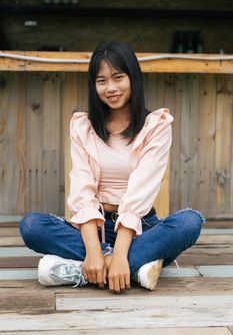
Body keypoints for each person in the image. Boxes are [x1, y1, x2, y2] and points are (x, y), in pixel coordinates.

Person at [19, 41, 205, 293]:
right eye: (101, 81)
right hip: (94, 228)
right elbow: (83, 191)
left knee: (189, 222)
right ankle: (133, 266)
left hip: (141, 228)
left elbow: (141, 189)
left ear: (133, 78)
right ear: (93, 85)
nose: (111, 88)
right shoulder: (83, 127)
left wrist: (118, 253)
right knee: (31, 226)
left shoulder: (156, 126)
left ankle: (85, 270)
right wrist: (96, 250)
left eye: (118, 77)